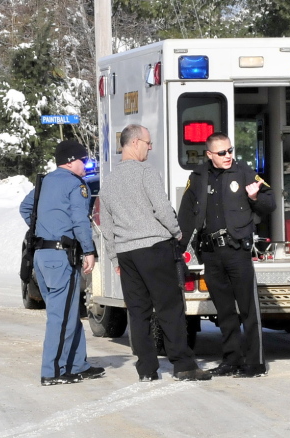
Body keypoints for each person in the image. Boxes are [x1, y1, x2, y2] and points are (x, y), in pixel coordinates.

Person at [99, 124, 212, 382]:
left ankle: (147, 370)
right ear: (135, 142)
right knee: (169, 308)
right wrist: (177, 231)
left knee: (138, 313)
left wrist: (115, 257)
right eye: (148, 143)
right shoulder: (145, 173)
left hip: (127, 253)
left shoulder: (109, 182)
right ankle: (183, 365)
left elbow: (106, 226)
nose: (150, 148)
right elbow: (161, 207)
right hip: (154, 248)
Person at [178, 133, 276, 378]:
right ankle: (231, 359)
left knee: (248, 310)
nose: (228, 156)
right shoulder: (198, 177)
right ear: (209, 155)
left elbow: (270, 202)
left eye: (230, 150)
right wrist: (177, 248)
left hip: (236, 251)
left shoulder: (244, 172)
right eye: (222, 153)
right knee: (224, 312)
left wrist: (254, 197)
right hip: (211, 253)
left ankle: (255, 363)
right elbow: (186, 215)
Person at [19, 140, 105, 386]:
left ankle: (78, 364)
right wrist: (89, 250)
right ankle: (54, 371)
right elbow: (80, 220)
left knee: (66, 312)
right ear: (70, 161)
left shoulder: (45, 181)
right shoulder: (75, 185)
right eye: (83, 160)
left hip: (42, 257)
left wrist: (44, 228)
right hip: (62, 257)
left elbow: (25, 207)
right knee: (60, 316)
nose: (86, 165)